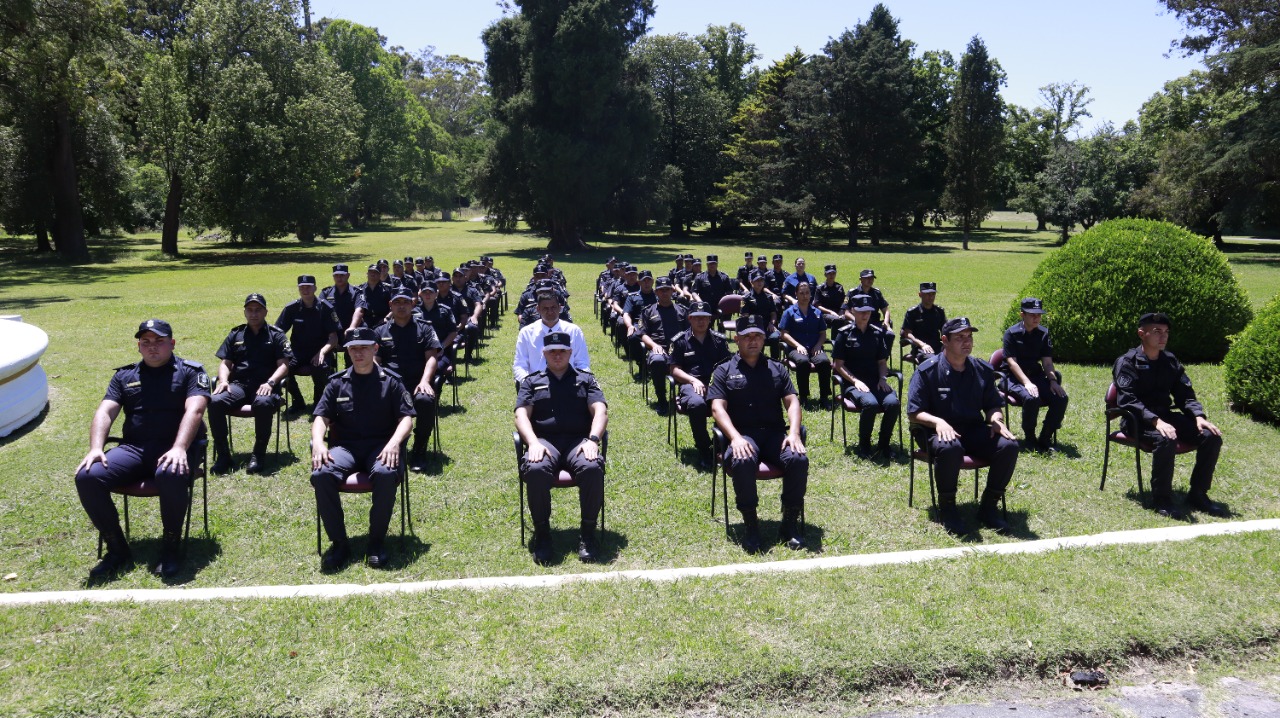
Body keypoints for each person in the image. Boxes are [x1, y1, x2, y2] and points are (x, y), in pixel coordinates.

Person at [75, 319, 210, 580]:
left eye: (159, 341)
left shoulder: (192, 372)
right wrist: (95, 448)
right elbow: (106, 410)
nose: (152, 348)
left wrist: (180, 447)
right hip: (134, 449)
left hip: (176, 448)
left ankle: (171, 545)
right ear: (139, 347)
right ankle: (117, 549)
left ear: (172, 343)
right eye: (145, 342)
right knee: (87, 476)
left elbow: (196, 409)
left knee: (170, 473)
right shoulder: (124, 376)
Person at [310, 327, 416, 572]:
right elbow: (320, 418)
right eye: (353, 349)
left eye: (364, 348)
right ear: (347, 351)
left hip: (380, 446)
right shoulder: (337, 383)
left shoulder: (391, 381)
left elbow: (407, 419)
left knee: (386, 473)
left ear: (375, 349)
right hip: (346, 448)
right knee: (321, 474)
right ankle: (339, 544)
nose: (358, 353)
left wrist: (394, 443)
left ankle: (376, 542)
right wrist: (318, 442)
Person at [907, 317, 1019, 535]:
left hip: (972, 429)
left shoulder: (982, 369)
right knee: (951, 447)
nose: (966, 342)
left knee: (1009, 445)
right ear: (945, 340)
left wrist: (996, 421)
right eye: (960, 338)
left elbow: (993, 405)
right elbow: (914, 412)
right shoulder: (927, 370)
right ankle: (948, 508)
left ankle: (988, 508)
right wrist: (939, 421)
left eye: (969, 337)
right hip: (933, 432)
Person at [708, 314, 809, 553]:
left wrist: (793, 433)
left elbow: (793, 402)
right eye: (747, 336)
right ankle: (751, 525)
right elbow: (717, 408)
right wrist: (734, 437)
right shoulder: (723, 370)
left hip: (774, 434)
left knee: (797, 459)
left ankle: (789, 524)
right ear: (737, 339)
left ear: (764, 339)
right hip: (743, 435)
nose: (752, 341)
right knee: (742, 460)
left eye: (758, 336)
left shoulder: (777, 368)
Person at [1113, 312, 1226, 518]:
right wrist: (1155, 421)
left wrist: (1198, 416)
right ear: (1142, 334)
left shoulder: (1170, 361)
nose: (1163, 337)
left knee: (1211, 436)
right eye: (1157, 332)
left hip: (1165, 416)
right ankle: (1162, 499)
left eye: (1166, 332)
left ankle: (1198, 494)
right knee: (1166, 438)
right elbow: (1127, 400)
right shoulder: (1127, 362)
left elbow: (1185, 394)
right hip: (1137, 420)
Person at [515, 331, 608, 565]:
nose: (557, 355)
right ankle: (543, 535)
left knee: (592, 467)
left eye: (562, 351)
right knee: (535, 469)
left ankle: (588, 534)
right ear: (544, 354)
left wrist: (593, 440)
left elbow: (600, 411)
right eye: (552, 352)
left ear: (570, 352)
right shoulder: (531, 381)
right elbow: (521, 415)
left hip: (579, 441)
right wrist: (533, 442)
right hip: (545, 442)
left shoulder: (586, 380)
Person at [208, 293, 294, 475]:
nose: (253, 314)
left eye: (258, 310)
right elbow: (225, 362)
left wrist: (271, 382)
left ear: (265, 312)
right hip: (239, 385)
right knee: (215, 401)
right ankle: (224, 455)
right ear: (245, 312)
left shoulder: (276, 335)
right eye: (250, 310)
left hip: (266, 386)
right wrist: (223, 380)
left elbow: (284, 365)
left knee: (262, 403)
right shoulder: (236, 334)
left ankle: (258, 453)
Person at [375, 288, 443, 468]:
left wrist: (425, 381)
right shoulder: (380, 331)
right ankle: (387, 445)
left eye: (405, 302)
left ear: (413, 304)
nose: (401, 306)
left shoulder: (425, 328)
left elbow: (432, 358)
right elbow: (375, 360)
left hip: (416, 383)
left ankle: (419, 450)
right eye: (397, 302)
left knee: (425, 401)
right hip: (389, 385)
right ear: (391, 305)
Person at [832, 296, 900, 460]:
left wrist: (883, 378)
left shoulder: (877, 334)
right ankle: (864, 445)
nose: (865, 315)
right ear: (853, 311)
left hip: (875, 381)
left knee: (893, 403)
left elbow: (882, 362)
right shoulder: (844, 334)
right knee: (870, 404)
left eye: (868, 311)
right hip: (852, 383)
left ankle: (884, 444)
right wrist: (855, 381)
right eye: (862, 311)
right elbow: (838, 365)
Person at [670, 301, 732, 470]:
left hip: (716, 383)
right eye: (697, 318)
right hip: (691, 383)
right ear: (689, 318)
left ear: (710, 319)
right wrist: (692, 380)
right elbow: (674, 369)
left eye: (704, 318)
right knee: (697, 404)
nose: (701, 321)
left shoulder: (719, 341)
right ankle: (705, 450)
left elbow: (728, 365)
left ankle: (722, 445)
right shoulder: (680, 341)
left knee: (734, 398)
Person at [1001, 297, 1068, 453]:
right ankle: (1030, 438)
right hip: (1012, 377)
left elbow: (1047, 363)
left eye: (1039, 314)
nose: (1036, 317)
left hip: (1035, 375)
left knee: (1061, 398)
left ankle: (1045, 437)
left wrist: (1052, 381)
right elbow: (1012, 363)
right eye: (1032, 314)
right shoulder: (1011, 333)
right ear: (1022, 315)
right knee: (1032, 398)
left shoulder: (1043, 334)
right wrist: (1027, 383)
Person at [274, 275, 341, 413]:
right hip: (298, 351)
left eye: (308, 287)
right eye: (302, 287)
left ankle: (318, 402)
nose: (305, 290)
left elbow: (333, 338)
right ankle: (298, 401)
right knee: (283, 368)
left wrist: (322, 352)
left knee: (320, 367)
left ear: (315, 288)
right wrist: (282, 349)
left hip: (320, 350)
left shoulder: (326, 308)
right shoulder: (291, 308)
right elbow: (278, 332)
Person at [637, 277, 690, 412]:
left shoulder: (683, 310)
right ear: (656, 292)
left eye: (667, 290)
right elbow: (642, 334)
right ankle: (662, 400)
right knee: (657, 360)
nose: (664, 293)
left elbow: (690, 332)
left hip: (681, 350)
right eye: (661, 290)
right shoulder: (648, 311)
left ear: (673, 291)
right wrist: (654, 346)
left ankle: (686, 396)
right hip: (660, 349)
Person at [513, 290, 590, 384]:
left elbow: (582, 364)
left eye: (553, 307)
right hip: (536, 386)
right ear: (538, 309)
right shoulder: (526, 333)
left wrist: (579, 382)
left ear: (560, 308)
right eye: (545, 308)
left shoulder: (574, 331)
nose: (550, 311)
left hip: (569, 385)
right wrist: (528, 384)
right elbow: (520, 365)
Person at [778, 281, 832, 409]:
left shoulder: (817, 312)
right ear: (796, 294)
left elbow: (823, 333)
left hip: (814, 347)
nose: (805, 296)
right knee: (802, 362)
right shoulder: (789, 312)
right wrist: (797, 346)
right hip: (795, 348)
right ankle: (803, 397)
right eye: (801, 293)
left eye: (807, 293)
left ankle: (824, 397)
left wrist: (819, 345)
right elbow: (784, 334)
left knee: (824, 362)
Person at [900, 282, 946, 364]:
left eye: (933, 294)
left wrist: (947, 345)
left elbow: (945, 330)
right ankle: (916, 357)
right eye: (928, 294)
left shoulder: (939, 311)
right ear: (920, 294)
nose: (931, 297)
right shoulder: (913, 312)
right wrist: (922, 345)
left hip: (937, 345)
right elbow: (907, 334)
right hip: (919, 347)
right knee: (933, 361)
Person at [320, 264, 360, 344]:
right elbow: (320, 312)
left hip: (350, 328)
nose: (339, 278)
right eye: (336, 275)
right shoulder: (326, 293)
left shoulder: (356, 292)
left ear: (348, 275)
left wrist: (352, 327)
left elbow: (359, 310)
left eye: (342, 275)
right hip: (331, 330)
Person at [351, 264, 394, 332]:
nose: (373, 274)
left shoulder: (388, 289)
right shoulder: (360, 289)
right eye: (371, 272)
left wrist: (387, 318)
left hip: (383, 321)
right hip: (364, 322)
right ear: (367, 274)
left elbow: (394, 306)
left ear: (380, 275)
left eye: (375, 272)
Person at [815, 264, 847, 332]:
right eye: (829, 273)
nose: (831, 275)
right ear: (825, 275)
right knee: (836, 320)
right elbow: (818, 305)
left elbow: (844, 301)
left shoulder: (839, 287)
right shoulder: (820, 288)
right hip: (825, 314)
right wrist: (831, 312)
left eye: (833, 273)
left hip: (839, 313)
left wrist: (841, 311)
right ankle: (834, 340)